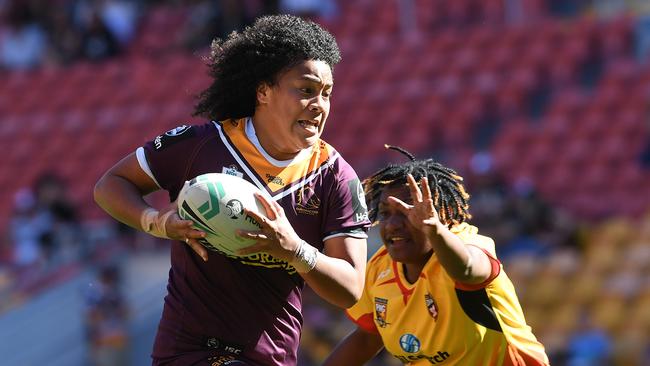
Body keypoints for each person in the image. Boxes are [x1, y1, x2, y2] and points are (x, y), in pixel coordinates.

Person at [93, 14, 370, 366]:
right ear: (263, 91)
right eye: (306, 90)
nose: (319, 104)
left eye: (326, 93)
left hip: (270, 358)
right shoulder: (200, 145)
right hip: (186, 351)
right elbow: (110, 186)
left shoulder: (335, 176)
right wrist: (157, 222)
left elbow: (350, 289)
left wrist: (294, 250)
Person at [323, 146, 549, 366]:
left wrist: (434, 230)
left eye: (407, 213)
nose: (392, 225)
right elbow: (366, 338)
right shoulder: (378, 270)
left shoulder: (466, 243)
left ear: (440, 213)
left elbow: (468, 268)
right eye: (385, 213)